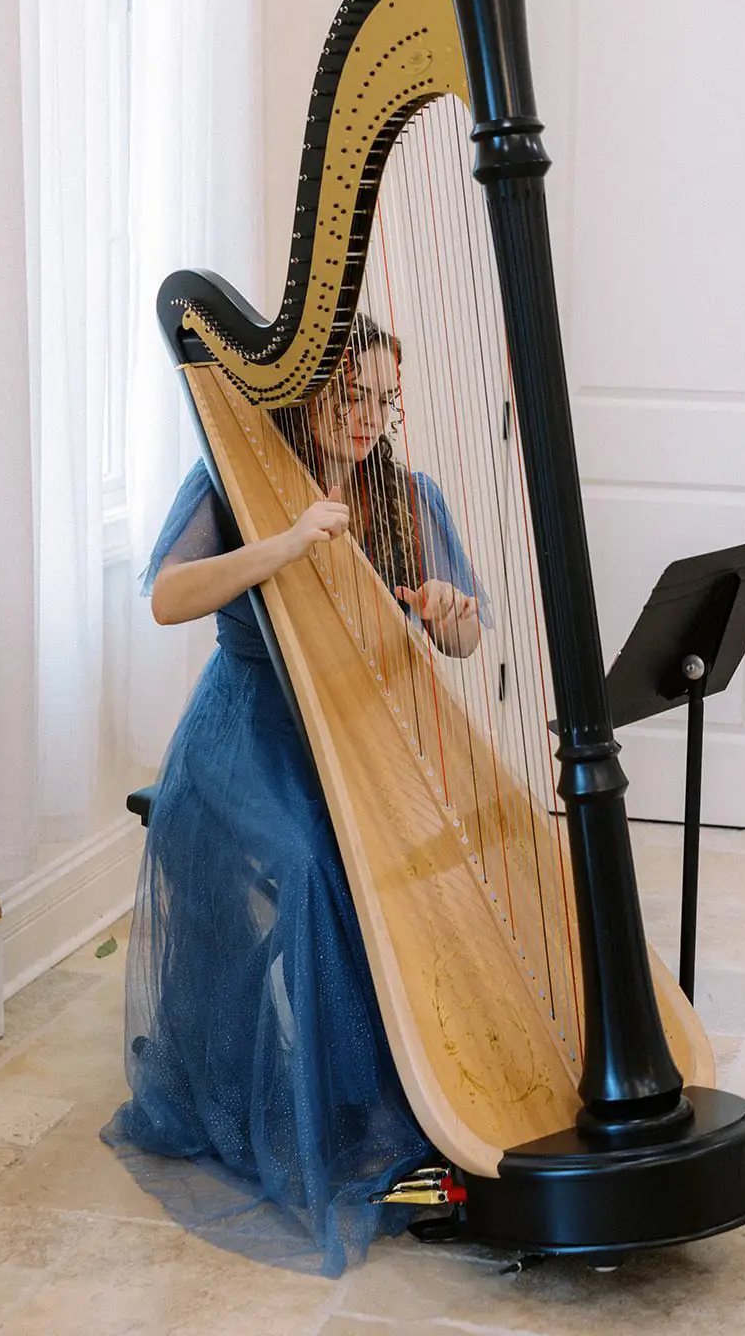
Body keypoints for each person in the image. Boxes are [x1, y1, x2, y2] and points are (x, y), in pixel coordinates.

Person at [102, 314, 489, 1277]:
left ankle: (402, 1085)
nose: (368, 417)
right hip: (245, 726)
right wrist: (284, 541)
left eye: (385, 400)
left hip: (359, 735)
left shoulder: (407, 497)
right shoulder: (228, 484)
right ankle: (302, 1109)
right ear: (305, 396)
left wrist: (450, 614)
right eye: (351, 396)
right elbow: (169, 599)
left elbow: (463, 640)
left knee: (414, 863)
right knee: (311, 866)